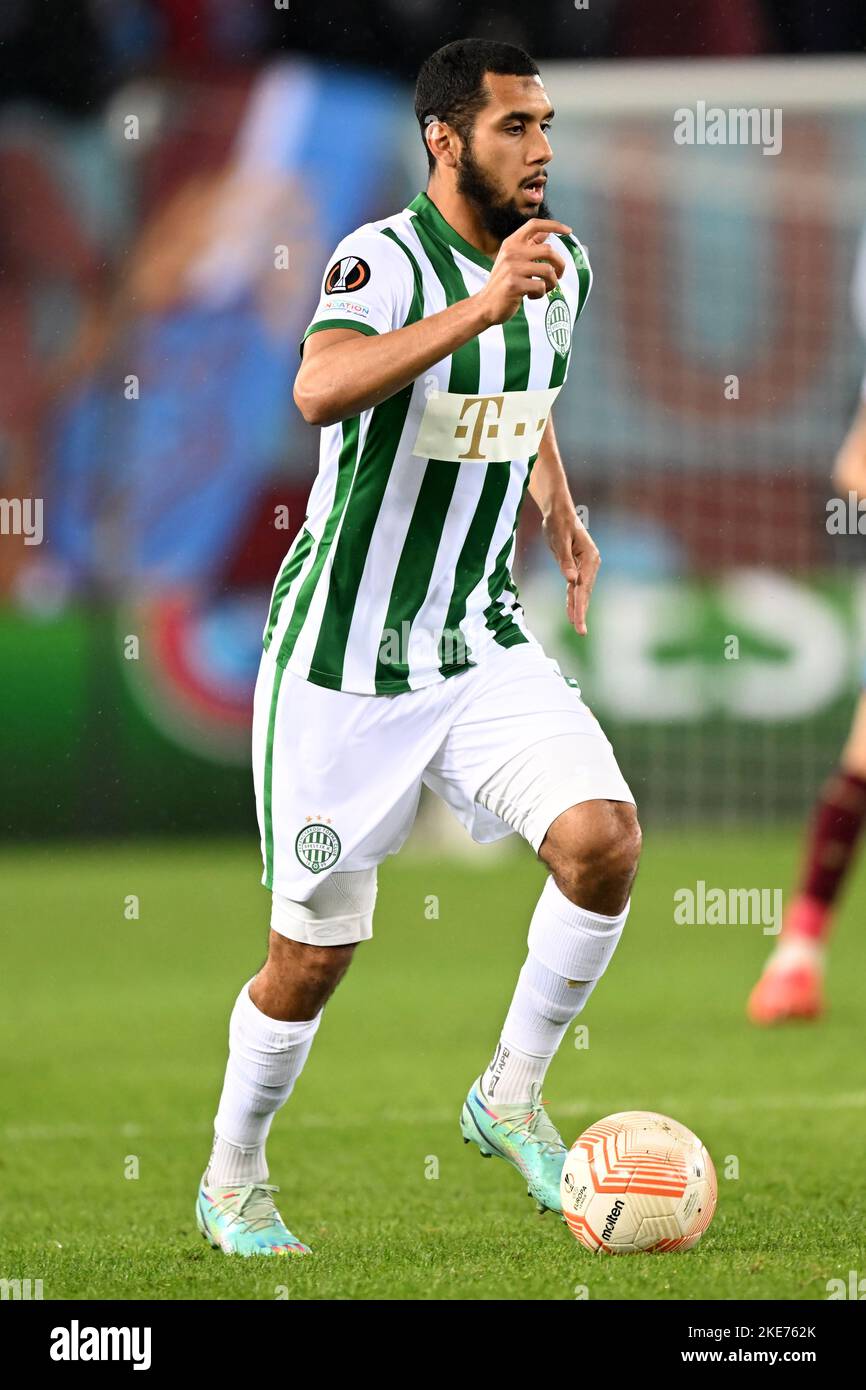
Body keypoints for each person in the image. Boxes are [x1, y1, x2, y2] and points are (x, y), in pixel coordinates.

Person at [195, 37, 641, 1256]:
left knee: (600, 841)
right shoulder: (379, 261)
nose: (541, 149)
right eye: (514, 127)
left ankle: (506, 1096)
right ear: (444, 139)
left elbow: (526, 391)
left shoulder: (563, 265)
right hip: (340, 663)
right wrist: (478, 302)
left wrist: (558, 502)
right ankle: (232, 1177)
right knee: (308, 960)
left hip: (475, 644)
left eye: (545, 124)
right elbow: (319, 390)